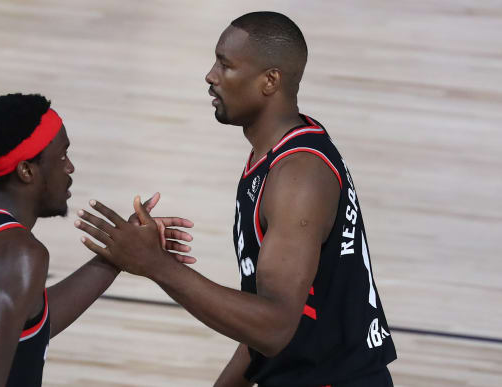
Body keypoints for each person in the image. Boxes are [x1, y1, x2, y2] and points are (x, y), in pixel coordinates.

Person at [75, 12, 396, 387]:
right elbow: (257, 330)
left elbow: (274, 326)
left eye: (225, 66)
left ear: (269, 81)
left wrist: (155, 264)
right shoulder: (274, 158)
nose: (210, 76)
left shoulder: (299, 176)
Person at [0, 93, 194, 387]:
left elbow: (23, 326)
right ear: (26, 171)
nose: (70, 167)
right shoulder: (18, 254)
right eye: (61, 156)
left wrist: (118, 255)